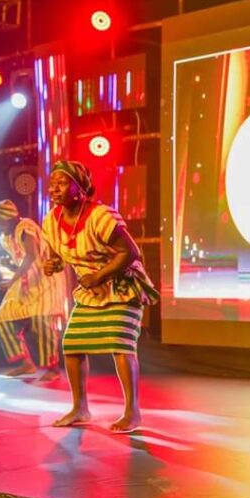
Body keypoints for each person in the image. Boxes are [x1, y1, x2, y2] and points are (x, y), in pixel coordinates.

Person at [42, 161, 158, 433]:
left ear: (79, 189)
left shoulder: (100, 216)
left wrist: (98, 276)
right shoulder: (51, 221)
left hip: (122, 286)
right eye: (52, 183)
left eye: (62, 183)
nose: (54, 188)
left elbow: (130, 252)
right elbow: (60, 251)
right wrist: (53, 263)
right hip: (92, 291)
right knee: (72, 345)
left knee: (120, 344)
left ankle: (132, 412)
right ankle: (80, 408)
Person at [0, 199, 69, 380]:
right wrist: (10, 266)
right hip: (25, 283)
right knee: (3, 319)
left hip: (44, 281)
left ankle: (53, 368)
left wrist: (11, 281)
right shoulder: (5, 238)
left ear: (10, 218)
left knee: (42, 322)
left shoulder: (25, 227)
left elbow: (32, 256)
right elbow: (22, 262)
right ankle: (26, 363)